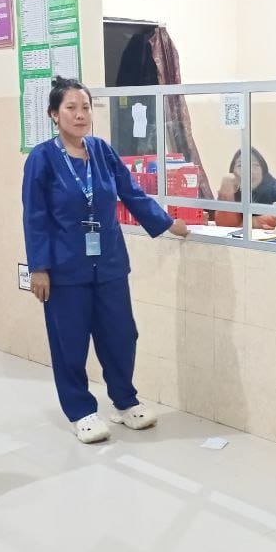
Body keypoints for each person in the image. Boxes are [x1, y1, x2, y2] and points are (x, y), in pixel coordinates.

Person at [23, 76, 189, 444]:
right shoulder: (42, 158)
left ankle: (125, 402)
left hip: (109, 262)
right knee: (70, 341)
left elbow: (131, 192)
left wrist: (166, 222)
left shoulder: (101, 151)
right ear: (54, 114)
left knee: (121, 334)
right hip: (65, 268)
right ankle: (80, 411)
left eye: (85, 107)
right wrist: (39, 267)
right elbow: (34, 216)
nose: (80, 114)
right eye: (71, 108)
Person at [214, 148, 276, 230]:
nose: (249, 171)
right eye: (240, 165)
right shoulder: (232, 189)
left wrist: (252, 222)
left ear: (263, 169)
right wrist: (227, 194)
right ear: (233, 171)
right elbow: (225, 226)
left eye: (255, 165)